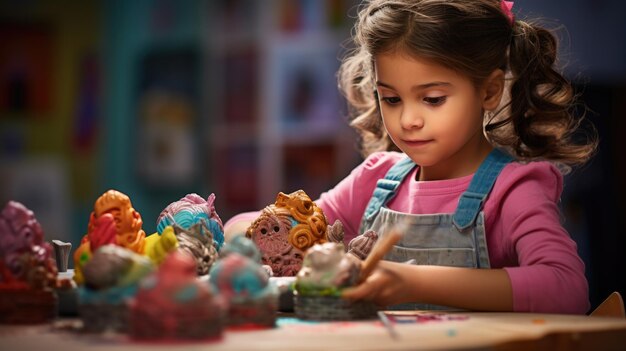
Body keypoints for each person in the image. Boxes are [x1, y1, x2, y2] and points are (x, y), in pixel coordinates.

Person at [225, 0, 597, 314]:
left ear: (489, 91)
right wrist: (256, 236)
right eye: (391, 98)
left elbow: (566, 289)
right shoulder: (377, 179)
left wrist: (409, 280)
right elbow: (250, 225)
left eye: (433, 99)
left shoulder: (512, 189)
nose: (408, 120)